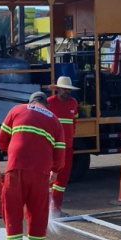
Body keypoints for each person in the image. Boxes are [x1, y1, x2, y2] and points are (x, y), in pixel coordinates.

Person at [0, 91, 66, 240]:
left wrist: (14, 152)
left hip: (16, 169)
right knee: (38, 216)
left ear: (31, 102)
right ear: (46, 105)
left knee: (12, 213)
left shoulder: (17, 110)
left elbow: (1, 140)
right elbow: (60, 153)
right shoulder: (54, 120)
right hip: (41, 173)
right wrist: (55, 170)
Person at [47, 76, 80, 217]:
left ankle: (55, 208)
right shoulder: (49, 103)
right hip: (52, 148)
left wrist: (71, 136)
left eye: (69, 89)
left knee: (63, 179)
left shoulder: (73, 103)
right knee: (49, 177)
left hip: (67, 147)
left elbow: (74, 122)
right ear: (58, 89)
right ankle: (44, 207)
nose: (67, 91)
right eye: (64, 89)